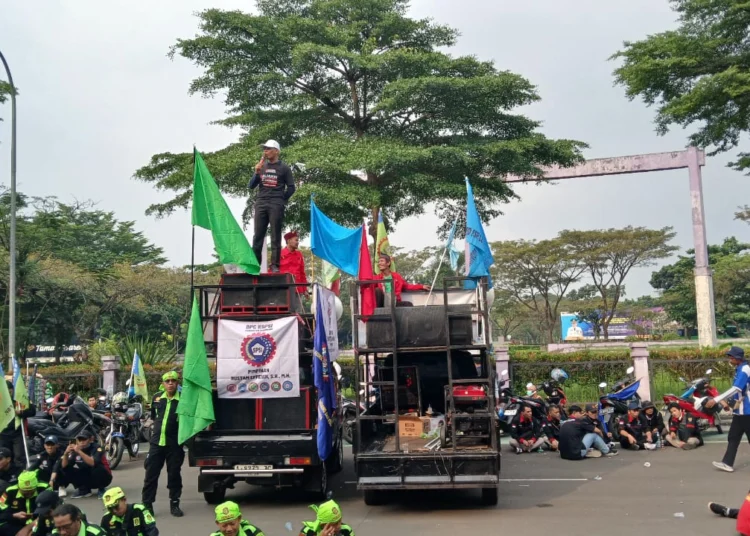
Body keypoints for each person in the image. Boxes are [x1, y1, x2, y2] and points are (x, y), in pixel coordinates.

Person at [249, 140, 296, 273]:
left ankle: (275, 265)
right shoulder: (261, 166)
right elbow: (251, 186)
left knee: (275, 234)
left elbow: (292, 188)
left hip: (276, 203)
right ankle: (255, 264)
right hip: (261, 202)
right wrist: (256, 173)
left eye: (268, 148)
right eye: (264, 148)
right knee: (258, 235)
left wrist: (281, 199)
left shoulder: (284, 168)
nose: (265, 151)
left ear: (276, 151)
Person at [141, 371, 184, 517]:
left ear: (177, 383)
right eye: (167, 381)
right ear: (163, 383)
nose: (170, 383)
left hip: (174, 444)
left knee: (174, 475)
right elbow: (154, 418)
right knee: (151, 475)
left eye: (173, 380)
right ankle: (147, 505)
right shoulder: (157, 398)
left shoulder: (183, 399)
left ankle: (175, 503)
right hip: (156, 443)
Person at [709, 346, 750, 472]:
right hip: (740, 411)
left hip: (747, 410)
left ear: (738, 358)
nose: (729, 359)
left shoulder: (745, 369)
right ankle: (727, 463)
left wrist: (716, 399)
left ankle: (727, 463)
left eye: (731, 357)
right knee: (733, 436)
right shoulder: (740, 368)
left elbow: (736, 389)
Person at [57, 431, 112, 499]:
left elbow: (93, 462)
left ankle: (101, 489)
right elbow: (64, 466)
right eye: (80, 440)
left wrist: (79, 452)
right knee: (65, 468)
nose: (82, 442)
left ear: (90, 439)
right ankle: (84, 490)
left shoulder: (97, 447)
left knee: (97, 467)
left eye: (84, 439)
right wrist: (66, 453)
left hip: (104, 477)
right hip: (87, 476)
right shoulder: (75, 451)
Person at [0, 471, 50, 536]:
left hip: (40, 522)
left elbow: (52, 511)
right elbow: (1, 514)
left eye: (31, 491)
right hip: (16, 523)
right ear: (18, 487)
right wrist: (14, 515)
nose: (28, 494)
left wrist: (29, 527)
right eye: (25, 492)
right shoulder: (9, 491)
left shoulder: (45, 488)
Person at [0, 381, 36, 465]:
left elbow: (32, 411)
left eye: (10, 392)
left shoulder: (20, 399)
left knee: (19, 457)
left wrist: (21, 413)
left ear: (13, 390)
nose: (8, 394)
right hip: (2, 433)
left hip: (17, 433)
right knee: (3, 457)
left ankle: (19, 475)